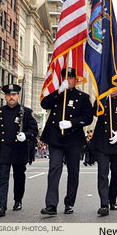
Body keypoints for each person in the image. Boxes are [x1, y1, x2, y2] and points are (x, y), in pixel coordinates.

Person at [40, 68, 93, 215]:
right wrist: (58, 91)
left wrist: (72, 123)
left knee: (73, 172)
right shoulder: (57, 94)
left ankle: (69, 202)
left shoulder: (82, 97)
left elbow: (88, 117)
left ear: (76, 80)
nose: (68, 80)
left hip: (73, 139)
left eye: (71, 78)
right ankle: (51, 205)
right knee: (54, 170)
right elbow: (44, 104)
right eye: (66, 78)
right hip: (56, 138)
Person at [0, 84, 38, 217]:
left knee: (19, 177)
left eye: (14, 95)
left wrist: (26, 135)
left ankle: (18, 200)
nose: (11, 97)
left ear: (18, 96)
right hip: (4, 150)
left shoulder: (25, 111)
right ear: (5, 97)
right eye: (9, 95)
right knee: (2, 178)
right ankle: (1, 206)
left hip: (19, 149)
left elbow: (34, 129)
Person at [91, 82, 117, 216]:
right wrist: (101, 98)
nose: (113, 90)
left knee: (116, 173)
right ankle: (104, 204)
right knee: (102, 173)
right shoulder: (102, 100)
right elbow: (94, 112)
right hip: (103, 142)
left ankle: (112, 199)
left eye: (115, 87)